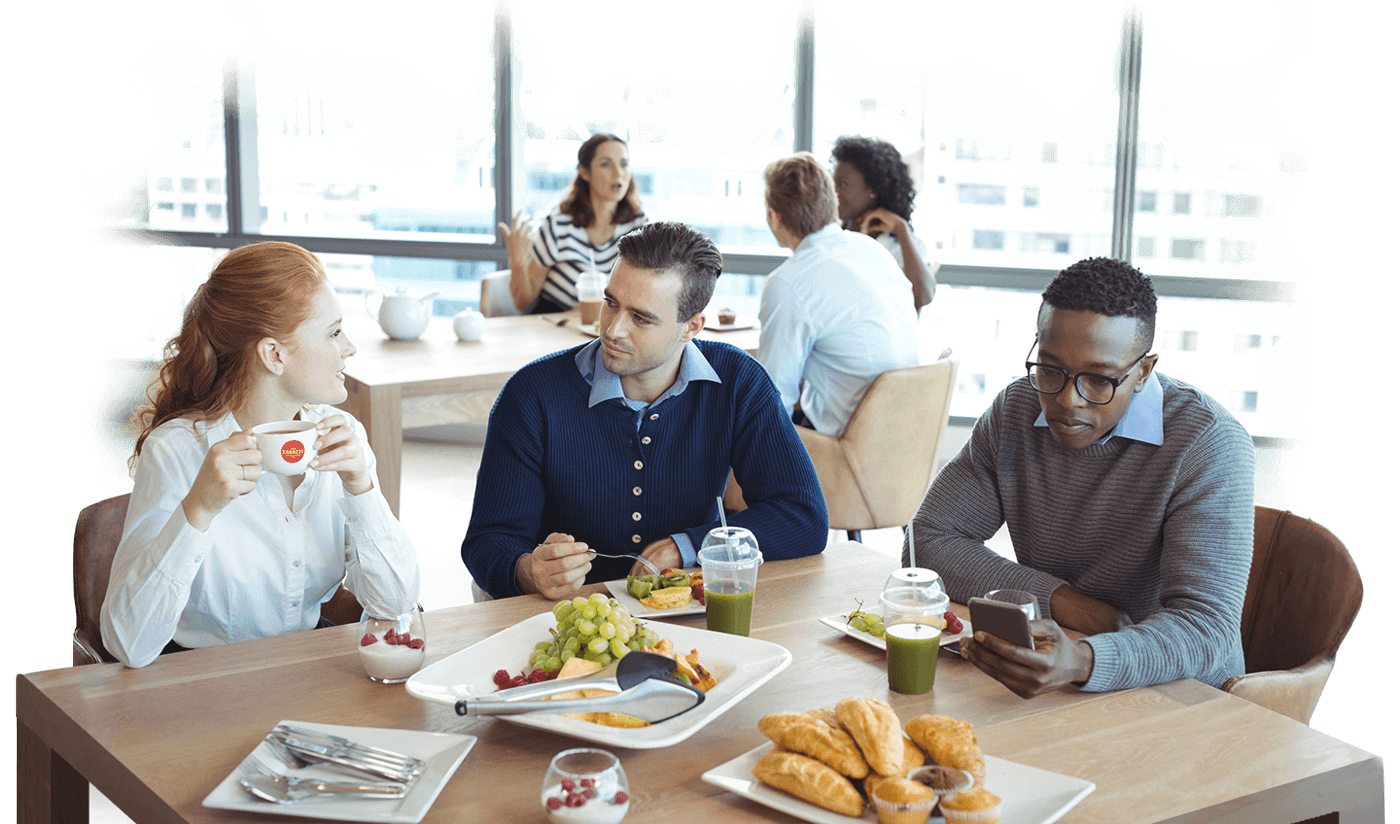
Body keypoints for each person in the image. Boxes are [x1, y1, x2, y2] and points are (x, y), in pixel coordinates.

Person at [911, 257, 1255, 697]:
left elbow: (1207, 629)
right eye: (1051, 370)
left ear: (1143, 373)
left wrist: (1086, 659)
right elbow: (929, 540)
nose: (1069, 401)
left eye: (1098, 379)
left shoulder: (1208, 443)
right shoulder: (1017, 409)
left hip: (1181, 694)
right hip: (1062, 664)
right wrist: (1072, 606)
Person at [462, 221, 828, 600]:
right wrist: (529, 571)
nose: (613, 329)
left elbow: (803, 516)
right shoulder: (531, 394)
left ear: (692, 327)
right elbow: (488, 541)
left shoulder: (738, 381)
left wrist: (688, 546)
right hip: (562, 617)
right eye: (610, 303)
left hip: (682, 612)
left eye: (640, 317)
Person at [101, 242, 422, 668]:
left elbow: (397, 604)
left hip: (308, 677)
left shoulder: (343, 438)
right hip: (201, 689)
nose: (350, 348)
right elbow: (127, 644)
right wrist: (198, 508)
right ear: (274, 355)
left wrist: (361, 488)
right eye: (333, 332)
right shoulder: (177, 451)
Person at [758, 151, 920, 436]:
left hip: (846, 446)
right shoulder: (872, 250)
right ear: (831, 202)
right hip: (904, 437)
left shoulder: (787, 283)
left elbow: (773, 400)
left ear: (774, 216)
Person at [499, 133, 648, 314]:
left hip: (606, 326)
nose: (618, 173)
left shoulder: (639, 226)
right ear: (585, 172)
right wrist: (518, 260)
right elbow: (523, 302)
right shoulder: (558, 225)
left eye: (624, 164)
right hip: (554, 324)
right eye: (606, 164)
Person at [831, 135, 938, 312]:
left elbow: (923, 296)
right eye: (832, 183)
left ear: (872, 189)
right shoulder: (831, 237)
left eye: (843, 185)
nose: (834, 192)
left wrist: (901, 229)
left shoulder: (900, 245)